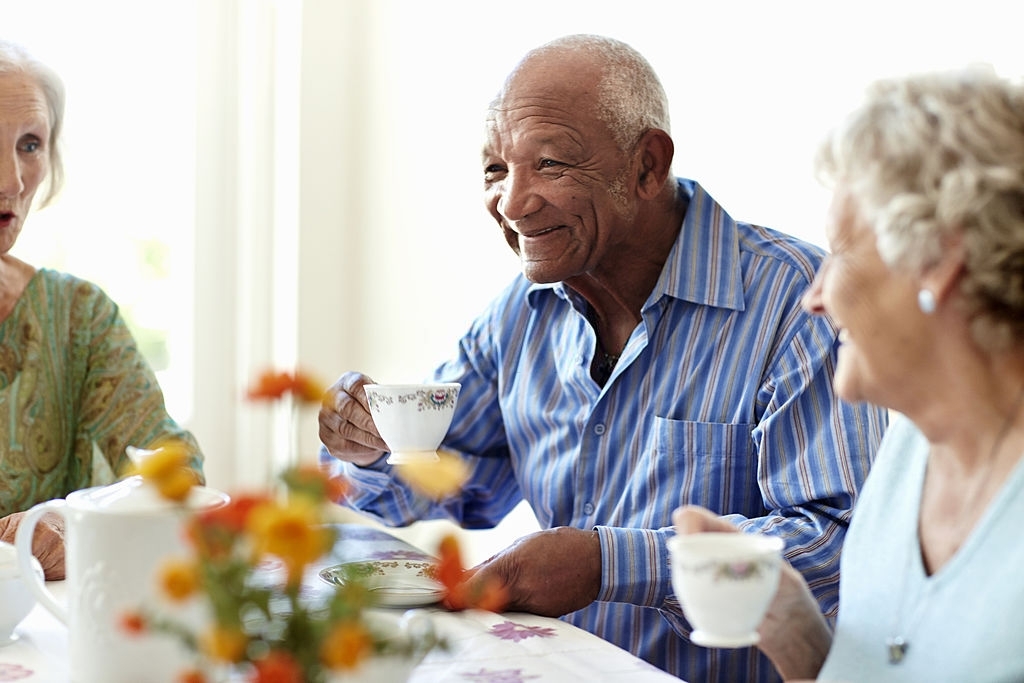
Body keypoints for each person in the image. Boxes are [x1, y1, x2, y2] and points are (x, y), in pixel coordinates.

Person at [319, 34, 887, 682]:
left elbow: (842, 545)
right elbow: (437, 482)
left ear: (647, 165)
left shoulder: (795, 300)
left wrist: (606, 562)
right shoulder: (520, 315)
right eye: (495, 169)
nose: (512, 201)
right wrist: (364, 446)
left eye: (550, 164)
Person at [675, 66, 1024, 681]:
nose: (814, 296)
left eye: (838, 252)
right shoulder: (907, 451)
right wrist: (793, 627)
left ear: (938, 263)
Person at [0, 39, 204, 579]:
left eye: (29, 144)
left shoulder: (78, 317)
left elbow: (178, 472)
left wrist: (76, 517)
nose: (11, 182)